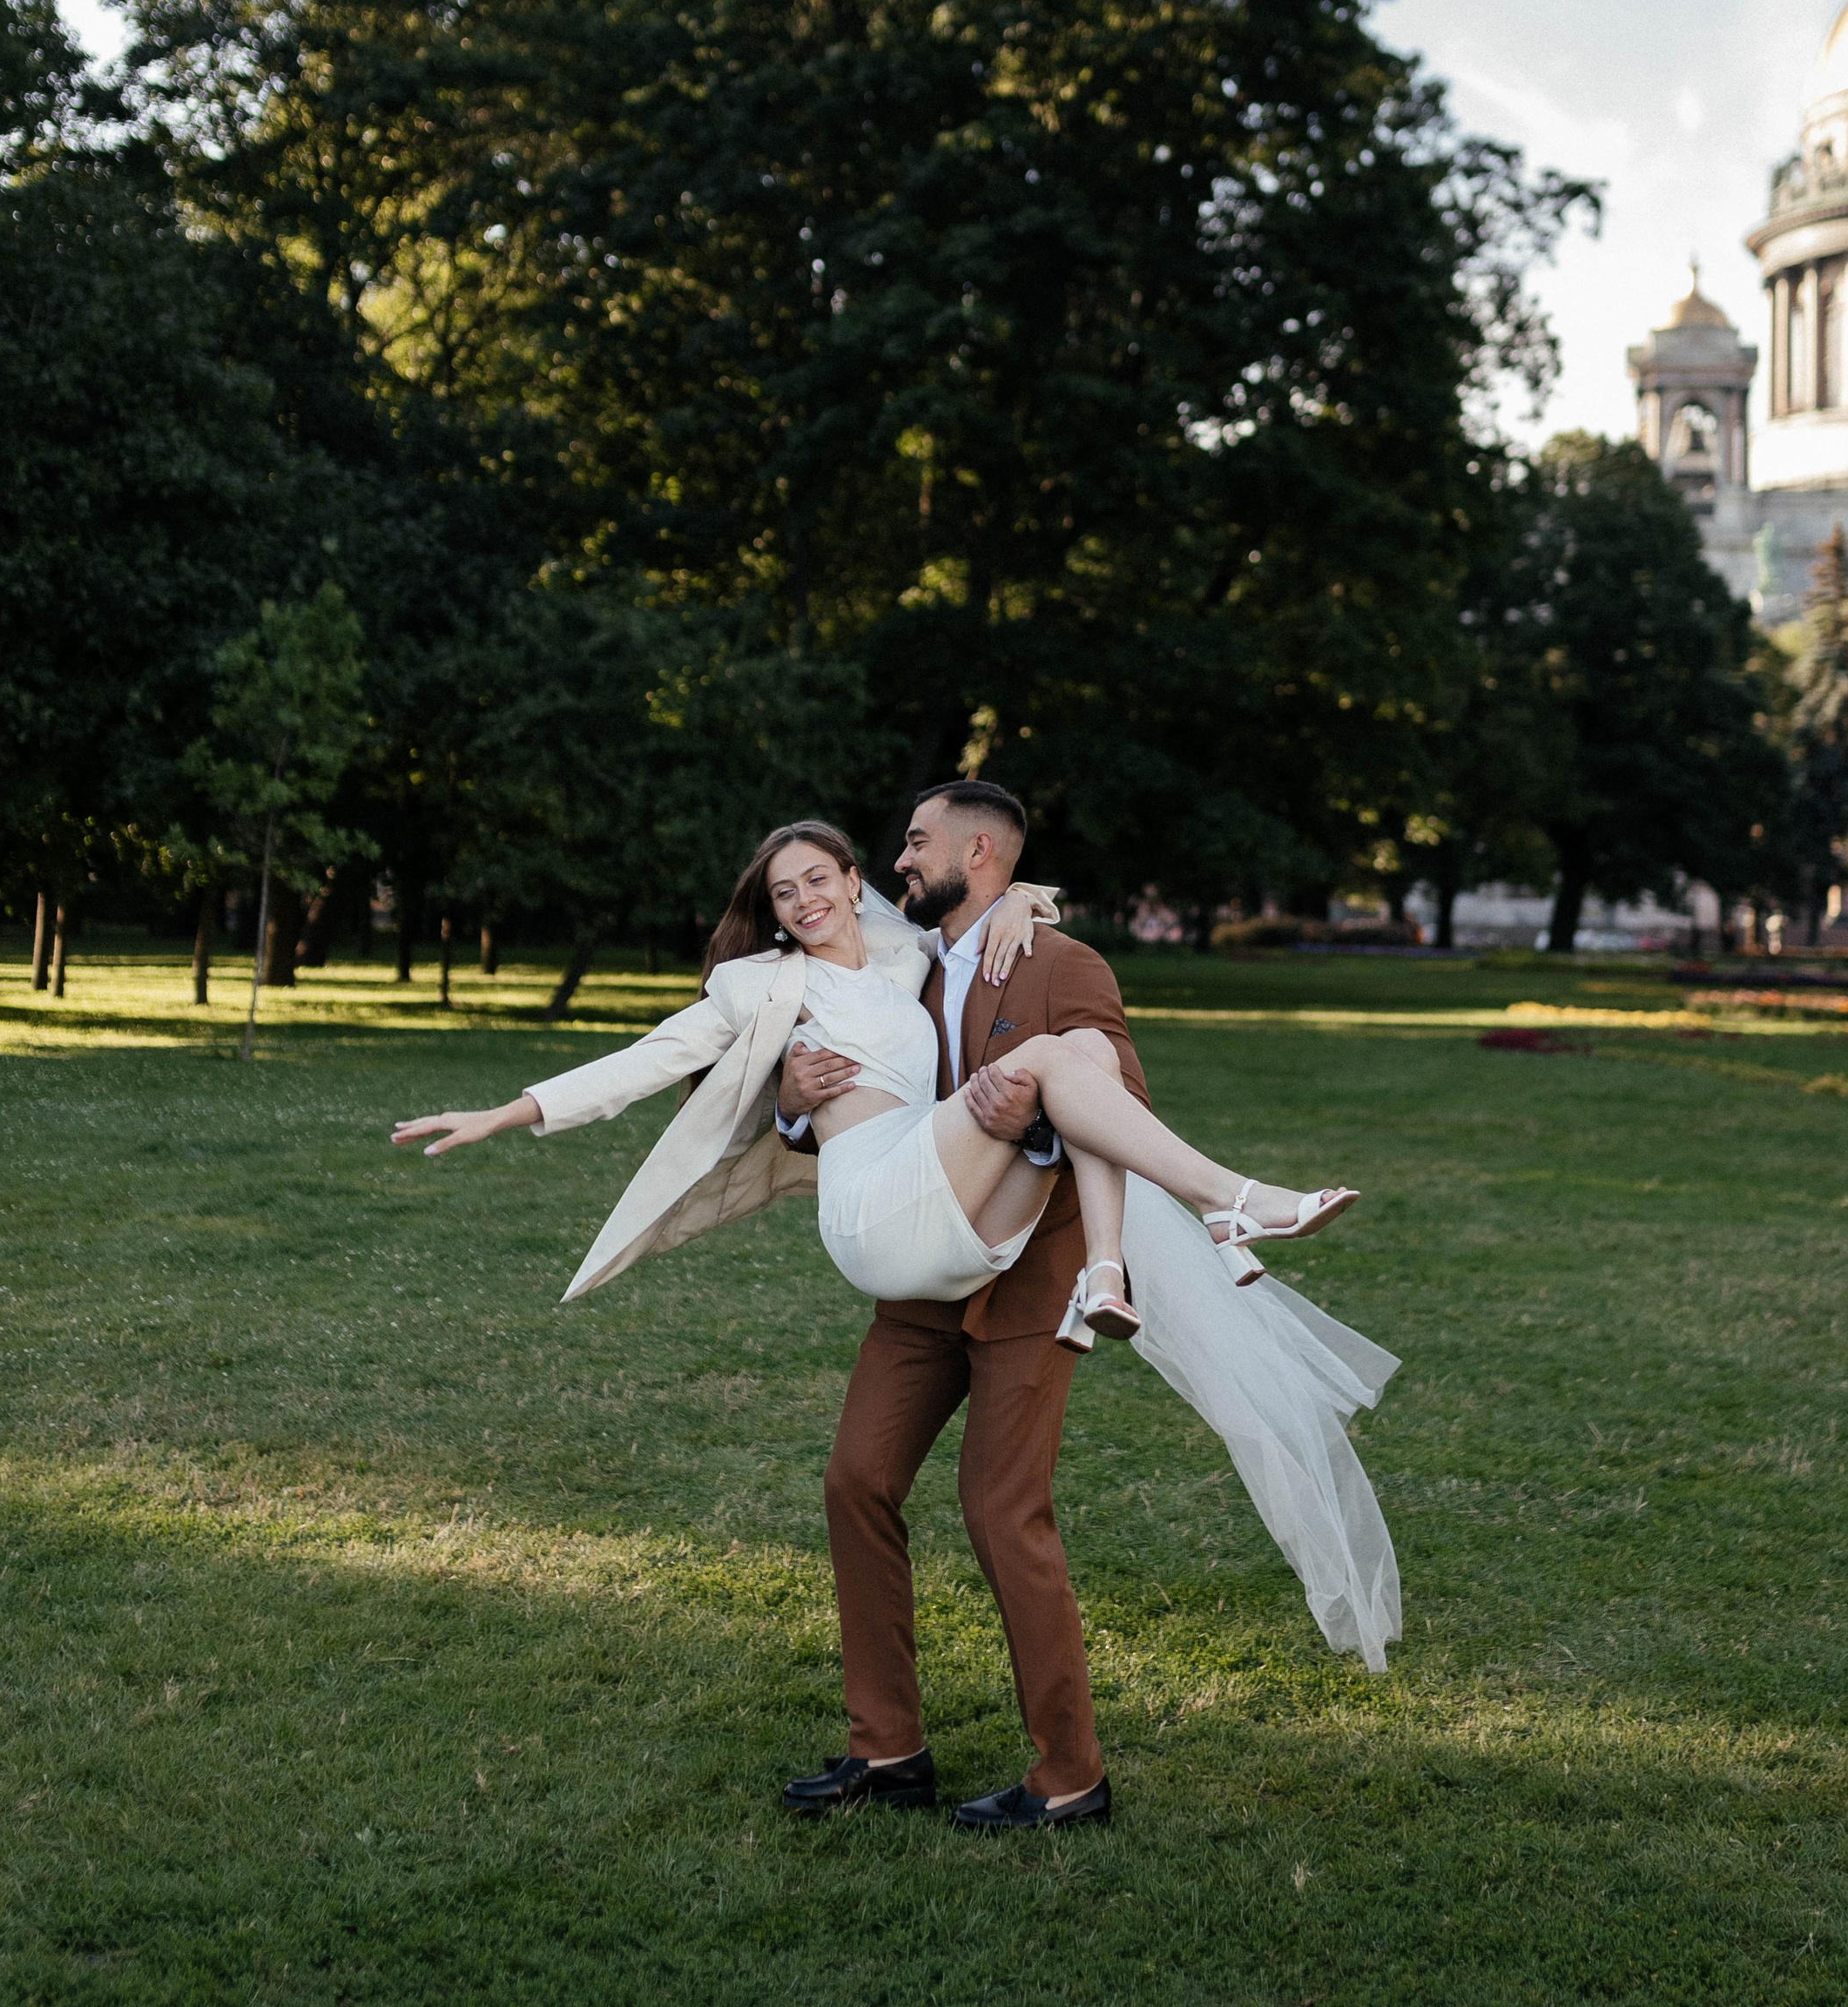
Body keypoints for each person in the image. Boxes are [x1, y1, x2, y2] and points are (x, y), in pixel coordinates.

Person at [392, 782, 1396, 1829]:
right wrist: (776, 1103)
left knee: (1001, 1511)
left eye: (910, 845)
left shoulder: (1056, 961)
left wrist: (1029, 906)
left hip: (1023, 1271)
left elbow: (1116, 1097)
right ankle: (887, 1752)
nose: (896, 861)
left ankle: (1070, 1776)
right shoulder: (899, 963)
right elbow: (700, 1060)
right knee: (856, 1481)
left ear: (971, 852)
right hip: (913, 1257)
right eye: (800, 884)